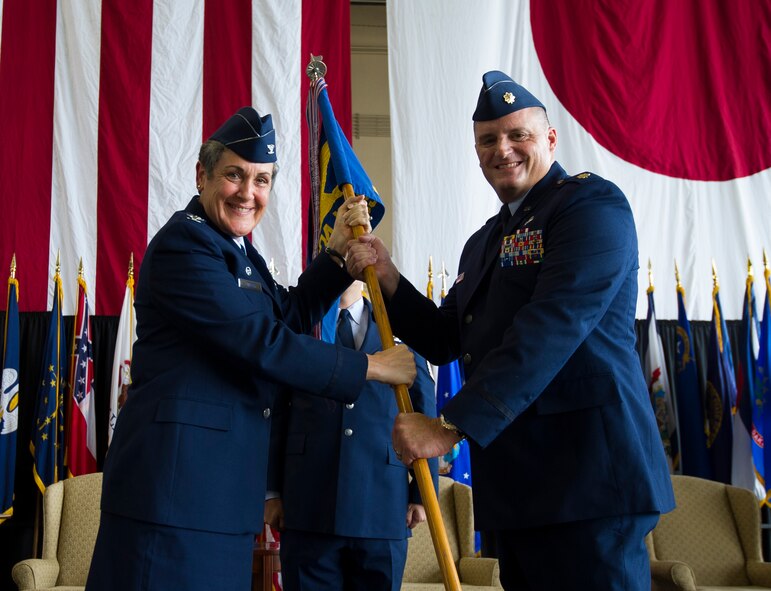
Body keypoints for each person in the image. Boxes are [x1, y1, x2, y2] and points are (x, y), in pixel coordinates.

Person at [346, 72, 675, 590]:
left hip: (588, 479)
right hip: (518, 489)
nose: (502, 149)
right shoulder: (484, 243)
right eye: (487, 140)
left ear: (549, 139)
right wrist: (388, 277)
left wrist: (448, 426)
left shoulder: (591, 208)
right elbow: (442, 336)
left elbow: (551, 328)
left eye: (517, 134)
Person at [85, 107, 417, 591]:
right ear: (202, 175)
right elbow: (263, 342)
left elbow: (287, 314)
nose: (248, 193)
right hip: (174, 500)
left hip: (217, 500)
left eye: (261, 181)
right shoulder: (186, 247)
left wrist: (339, 257)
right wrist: (370, 366)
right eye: (235, 175)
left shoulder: (236, 251)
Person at [265, 280, 439, 591]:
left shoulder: (397, 333)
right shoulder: (298, 327)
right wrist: (271, 492)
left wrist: (422, 495)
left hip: (382, 504)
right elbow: (275, 412)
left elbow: (424, 416)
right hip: (308, 503)